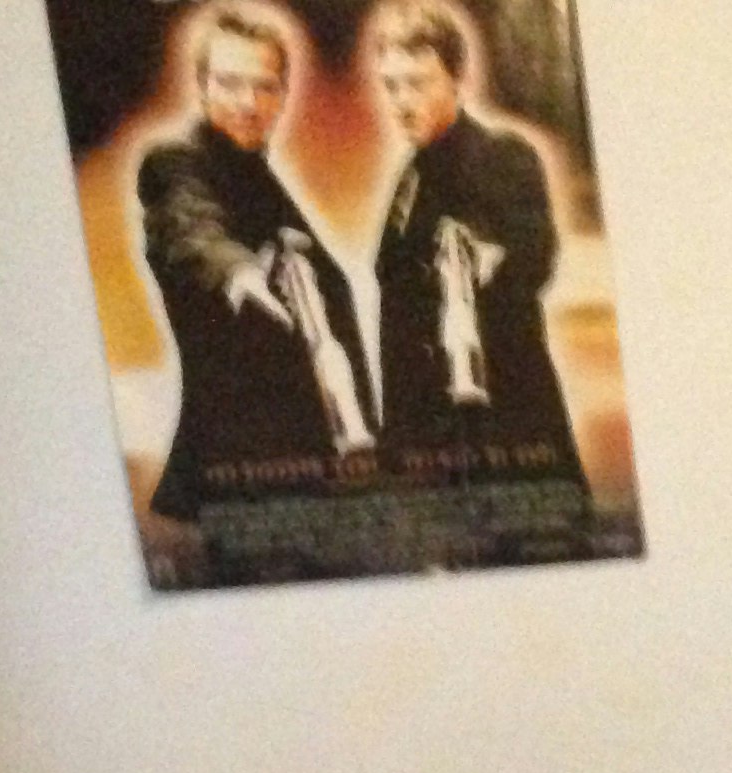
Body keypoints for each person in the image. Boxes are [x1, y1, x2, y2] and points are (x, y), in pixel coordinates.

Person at [137, 6, 376, 524]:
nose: (249, 103)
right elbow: (192, 227)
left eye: (266, 87)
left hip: (303, 468)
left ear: (283, 95)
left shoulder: (259, 176)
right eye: (229, 83)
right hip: (233, 478)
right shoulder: (175, 162)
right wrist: (241, 273)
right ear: (202, 87)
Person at [370, 1, 586, 497]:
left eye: (417, 83)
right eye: (391, 85)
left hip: (503, 427)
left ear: (456, 77)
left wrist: (488, 257)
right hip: (427, 440)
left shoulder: (503, 154)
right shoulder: (409, 176)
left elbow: (535, 255)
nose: (401, 102)